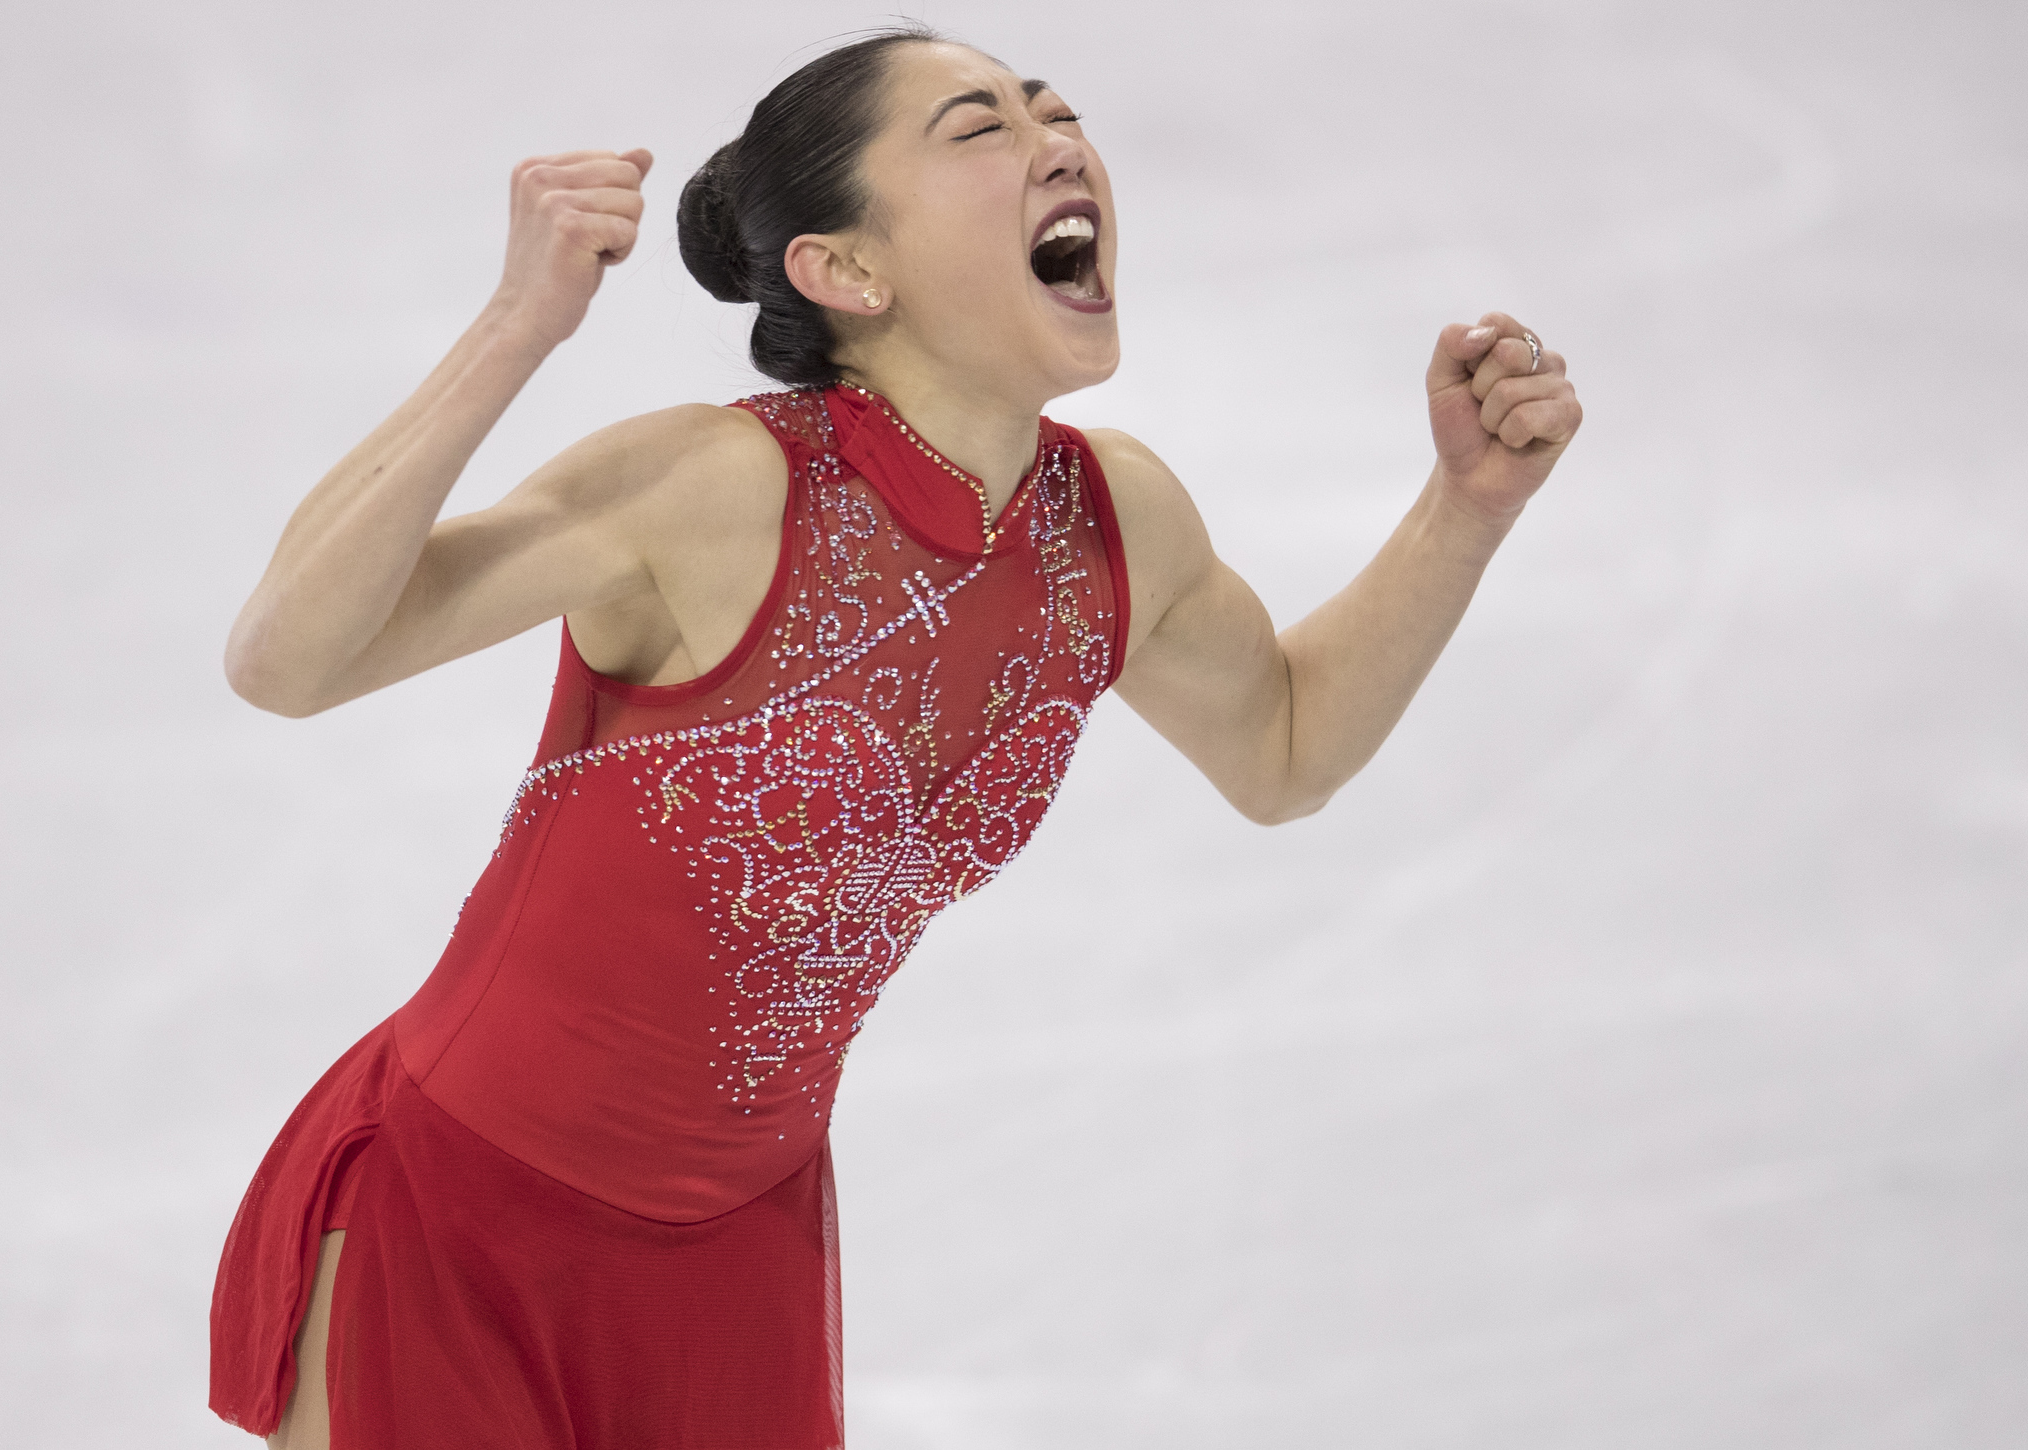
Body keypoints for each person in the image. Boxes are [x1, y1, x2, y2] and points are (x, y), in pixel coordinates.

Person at [206, 23, 1580, 1450]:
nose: (1058, 142)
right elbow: (285, 660)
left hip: (743, 1255)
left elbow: (1285, 749)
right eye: (977, 130)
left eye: (1056, 112)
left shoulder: (1109, 528)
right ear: (846, 270)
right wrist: (518, 325)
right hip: (463, 1218)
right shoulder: (712, 487)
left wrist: (1464, 509)